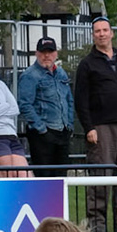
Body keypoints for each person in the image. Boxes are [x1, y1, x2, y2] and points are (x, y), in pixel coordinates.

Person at [74, 17, 117, 232]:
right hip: (101, 128)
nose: (101, 34)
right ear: (93, 36)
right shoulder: (87, 64)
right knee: (100, 180)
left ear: (111, 33)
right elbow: (80, 100)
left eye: (105, 30)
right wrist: (88, 127)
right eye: (97, 31)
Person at [17, 37, 75, 169]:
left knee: (62, 177)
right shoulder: (29, 75)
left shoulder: (61, 73)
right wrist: (42, 129)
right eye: (43, 52)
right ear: (37, 53)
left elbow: (69, 99)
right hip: (42, 134)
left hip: (63, 131)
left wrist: (70, 125)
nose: (47, 55)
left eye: (50, 52)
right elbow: (25, 104)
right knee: (44, 176)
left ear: (56, 54)